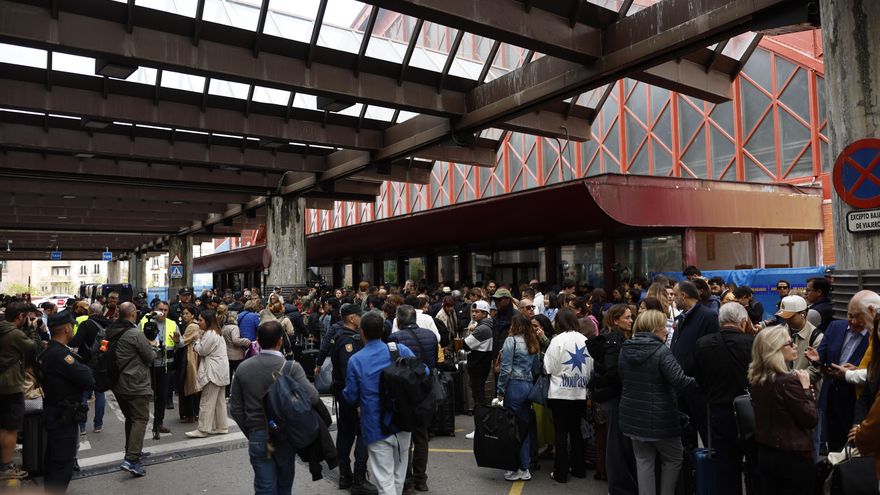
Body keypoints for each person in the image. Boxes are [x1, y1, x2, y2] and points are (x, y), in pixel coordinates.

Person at [230, 320, 321, 494]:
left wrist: (251, 430)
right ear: (280, 341)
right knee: (284, 486)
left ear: (257, 339)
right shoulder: (291, 368)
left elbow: (236, 408)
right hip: (286, 432)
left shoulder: (243, 368)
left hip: (258, 432)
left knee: (265, 487)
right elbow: (313, 397)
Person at [619, 309, 696, 495]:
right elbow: (679, 381)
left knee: (643, 461)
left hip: (633, 416)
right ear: (655, 328)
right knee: (673, 458)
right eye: (664, 326)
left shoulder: (625, 348)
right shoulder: (661, 351)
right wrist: (703, 382)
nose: (667, 330)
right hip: (662, 419)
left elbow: (623, 377)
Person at [344, 312, 416, 495]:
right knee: (399, 477)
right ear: (383, 330)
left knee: (384, 482)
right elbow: (423, 373)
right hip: (403, 420)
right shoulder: (401, 350)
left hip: (375, 424)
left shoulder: (356, 360)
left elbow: (351, 396)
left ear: (362, 332)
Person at [693, 303, 754, 495]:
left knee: (725, 466)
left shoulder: (702, 344)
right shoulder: (752, 343)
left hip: (718, 411)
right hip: (750, 412)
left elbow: (699, 379)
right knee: (754, 463)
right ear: (743, 322)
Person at [749, 325, 817, 494]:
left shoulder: (757, 379)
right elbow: (811, 419)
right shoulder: (788, 381)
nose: (795, 346)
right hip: (793, 457)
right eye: (789, 343)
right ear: (776, 350)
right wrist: (806, 389)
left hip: (766, 451)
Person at [812, 290, 878, 453]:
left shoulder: (873, 333)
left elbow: (875, 376)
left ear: (871, 311)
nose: (853, 322)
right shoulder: (837, 327)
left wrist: (849, 374)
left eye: (858, 316)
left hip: (861, 408)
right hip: (836, 401)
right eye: (850, 315)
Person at [38, 310, 95, 492]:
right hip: (63, 414)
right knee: (62, 463)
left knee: (54, 460)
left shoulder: (50, 350)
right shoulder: (61, 355)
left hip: (55, 411)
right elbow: (87, 378)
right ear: (67, 329)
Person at [389, 305, 439, 492]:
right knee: (421, 436)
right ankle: (421, 479)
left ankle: (407, 481)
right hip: (426, 389)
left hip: (405, 391)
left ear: (399, 321)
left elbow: (393, 365)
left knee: (405, 438)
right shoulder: (430, 335)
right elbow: (434, 361)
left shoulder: (395, 338)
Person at [588, 303, 637, 491]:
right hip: (614, 398)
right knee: (616, 445)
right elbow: (612, 372)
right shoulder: (614, 341)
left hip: (613, 397)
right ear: (616, 320)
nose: (631, 320)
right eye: (627, 317)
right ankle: (619, 487)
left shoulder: (616, 339)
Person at [329, 304, 376, 495]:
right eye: (359, 316)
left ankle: (346, 475)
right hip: (351, 395)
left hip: (346, 394)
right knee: (358, 434)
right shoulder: (347, 341)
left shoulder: (342, 337)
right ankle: (356, 478)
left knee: (346, 433)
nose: (360, 320)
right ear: (351, 318)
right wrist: (357, 401)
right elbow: (351, 373)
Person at [108, 302, 157, 477]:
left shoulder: (111, 330)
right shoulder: (135, 334)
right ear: (133, 314)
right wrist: (153, 344)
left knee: (131, 418)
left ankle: (132, 449)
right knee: (140, 419)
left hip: (118, 383)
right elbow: (150, 357)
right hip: (135, 383)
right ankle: (132, 459)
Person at [543, 308, 592, 483]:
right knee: (576, 431)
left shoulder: (557, 340)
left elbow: (548, 367)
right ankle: (579, 469)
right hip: (580, 393)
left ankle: (561, 472)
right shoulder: (585, 340)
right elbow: (591, 368)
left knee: (561, 433)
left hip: (559, 393)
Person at [670, 280, 720, 444]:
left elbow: (712, 353)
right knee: (686, 435)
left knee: (707, 435)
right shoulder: (682, 317)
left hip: (698, 388)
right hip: (681, 386)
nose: (673, 299)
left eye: (675, 295)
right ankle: (691, 468)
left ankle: (710, 468)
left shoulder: (708, 316)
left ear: (683, 296)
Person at [495, 314, 539, 482]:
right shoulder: (532, 341)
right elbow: (536, 368)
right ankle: (525, 467)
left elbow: (505, 369)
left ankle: (515, 467)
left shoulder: (511, 341)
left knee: (512, 430)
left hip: (514, 386)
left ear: (515, 325)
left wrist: (500, 389)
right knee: (525, 428)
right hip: (528, 386)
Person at [0, 301, 40, 480]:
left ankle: (3, 462)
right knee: (11, 428)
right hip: (10, 385)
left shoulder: (2, 328)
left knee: (2, 426)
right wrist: (33, 329)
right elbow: (34, 347)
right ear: (20, 317)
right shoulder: (15, 334)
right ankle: (6, 467)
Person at [186, 310, 230, 438]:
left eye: (200, 320)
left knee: (207, 401)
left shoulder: (210, 334)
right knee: (219, 401)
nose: (198, 323)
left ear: (208, 321)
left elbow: (202, 351)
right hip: (220, 370)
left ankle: (203, 429)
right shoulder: (216, 332)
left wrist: (196, 341)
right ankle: (222, 426)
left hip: (213, 371)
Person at [139, 300, 179, 440]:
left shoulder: (172, 324)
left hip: (165, 365)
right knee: (146, 396)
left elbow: (179, 343)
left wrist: (178, 341)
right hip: (148, 365)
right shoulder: (144, 321)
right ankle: (142, 424)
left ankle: (158, 423)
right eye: (160, 309)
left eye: (166, 310)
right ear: (154, 310)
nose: (163, 312)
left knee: (161, 396)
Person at [69, 302, 111, 435]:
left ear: (89, 312)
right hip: (102, 364)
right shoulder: (107, 324)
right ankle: (98, 425)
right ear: (101, 312)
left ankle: (81, 426)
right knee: (100, 393)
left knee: (83, 394)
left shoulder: (86, 325)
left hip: (85, 363)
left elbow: (75, 342)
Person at [463, 300, 494, 440]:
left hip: (478, 366)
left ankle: (480, 429)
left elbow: (465, 345)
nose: (474, 314)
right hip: (483, 365)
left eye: (477, 312)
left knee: (479, 399)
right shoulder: (486, 325)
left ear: (485, 313)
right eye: (473, 312)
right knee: (480, 397)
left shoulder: (482, 329)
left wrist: (469, 333)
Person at [176, 305, 201, 424]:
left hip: (190, 356)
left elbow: (182, 342)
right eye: (183, 313)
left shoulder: (192, 326)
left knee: (189, 386)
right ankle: (193, 413)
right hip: (194, 356)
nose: (184, 315)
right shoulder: (196, 325)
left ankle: (190, 414)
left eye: (187, 313)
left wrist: (176, 340)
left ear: (192, 315)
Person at [221, 306, 249, 398]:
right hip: (236, 356)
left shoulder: (224, 327)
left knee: (228, 377)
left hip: (227, 355)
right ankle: (240, 394)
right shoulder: (234, 328)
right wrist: (246, 341)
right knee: (239, 376)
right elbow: (235, 340)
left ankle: (226, 394)